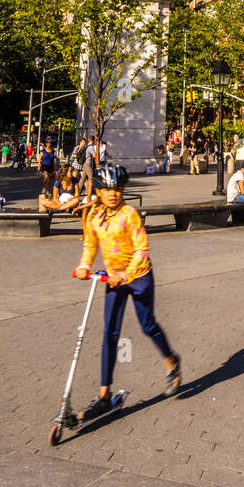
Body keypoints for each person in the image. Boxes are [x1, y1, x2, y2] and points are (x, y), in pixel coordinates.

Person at [73, 163, 180, 413]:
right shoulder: (93, 216)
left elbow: (142, 249)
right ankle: (103, 394)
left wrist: (126, 275)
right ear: (98, 191)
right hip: (113, 279)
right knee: (110, 332)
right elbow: (90, 245)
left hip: (138, 276)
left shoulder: (129, 213)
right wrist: (83, 266)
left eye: (118, 189)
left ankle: (171, 362)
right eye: (108, 189)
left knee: (147, 325)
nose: (113, 194)